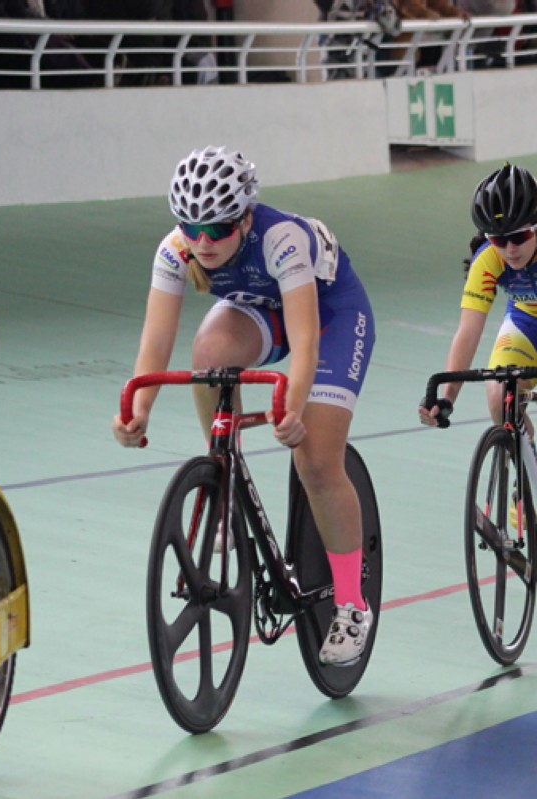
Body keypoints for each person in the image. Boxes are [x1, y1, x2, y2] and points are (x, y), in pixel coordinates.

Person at [112, 146, 377, 667]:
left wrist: (293, 408)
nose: (203, 242)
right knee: (207, 353)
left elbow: (305, 341)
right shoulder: (175, 250)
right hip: (260, 312)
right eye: (191, 228)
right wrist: (138, 407)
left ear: (245, 218)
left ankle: (351, 603)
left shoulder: (280, 240)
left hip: (329, 318)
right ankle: (222, 473)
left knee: (316, 462)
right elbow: (156, 341)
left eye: (218, 229)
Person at [418, 164, 537, 581]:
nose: (509, 249)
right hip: (525, 322)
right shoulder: (487, 261)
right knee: (496, 394)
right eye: (498, 240)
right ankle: (530, 476)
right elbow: (467, 334)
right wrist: (445, 398)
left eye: (519, 237)